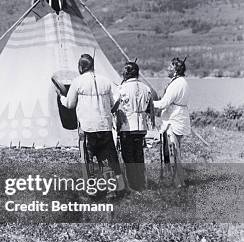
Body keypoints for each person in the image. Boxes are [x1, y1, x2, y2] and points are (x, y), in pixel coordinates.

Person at [60, 54, 124, 194]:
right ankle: (111, 190)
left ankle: (91, 189)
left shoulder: (77, 82)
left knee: (87, 159)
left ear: (81, 67)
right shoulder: (106, 81)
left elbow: (70, 104)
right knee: (106, 158)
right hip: (104, 126)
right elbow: (114, 103)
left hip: (87, 127)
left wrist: (61, 98)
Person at [115, 62, 153, 191]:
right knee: (139, 155)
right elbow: (149, 108)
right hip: (141, 126)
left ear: (126, 73)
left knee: (129, 157)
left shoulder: (121, 88)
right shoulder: (146, 88)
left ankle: (133, 185)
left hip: (127, 126)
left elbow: (114, 106)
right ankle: (142, 183)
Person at [153, 57, 190, 187]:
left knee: (173, 151)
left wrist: (148, 104)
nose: (168, 69)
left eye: (170, 67)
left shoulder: (176, 84)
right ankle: (179, 180)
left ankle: (178, 183)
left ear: (175, 70)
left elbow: (163, 103)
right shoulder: (183, 82)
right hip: (180, 118)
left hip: (173, 120)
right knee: (177, 151)